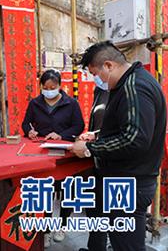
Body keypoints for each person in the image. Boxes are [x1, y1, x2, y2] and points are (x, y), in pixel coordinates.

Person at [71, 41, 166, 251]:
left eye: (95, 74)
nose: (97, 80)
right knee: (122, 241)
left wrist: (89, 149)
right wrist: (97, 136)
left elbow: (135, 139)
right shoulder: (130, 83)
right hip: (127, 179)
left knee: (127, 245)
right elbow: (130, 128)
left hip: (130, 182)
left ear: (108, 65)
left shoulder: (135, 87)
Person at [20, 69, 85, 247]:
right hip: (43, 151)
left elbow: (79, 125)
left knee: (67, 190)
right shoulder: (35, 103)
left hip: (65, 152)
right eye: (45, 88)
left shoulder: (71, 103)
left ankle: (62, 226)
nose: (49, 91)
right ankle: (46, 229)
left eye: (52, 87)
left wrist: (61, 135)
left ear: (60, 86)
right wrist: (30, 131)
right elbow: (26, 123)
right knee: (45, 190)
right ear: (41, 86)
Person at [80, 70, 110, 251]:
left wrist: (95, 139)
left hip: (111, 161)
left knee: (106, 211)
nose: (95, 77)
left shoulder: (124, 92)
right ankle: (95, 247)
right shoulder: (99, 90)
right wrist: (93, 135)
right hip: (96, 160)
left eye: (95, 72)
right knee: (95, 210)